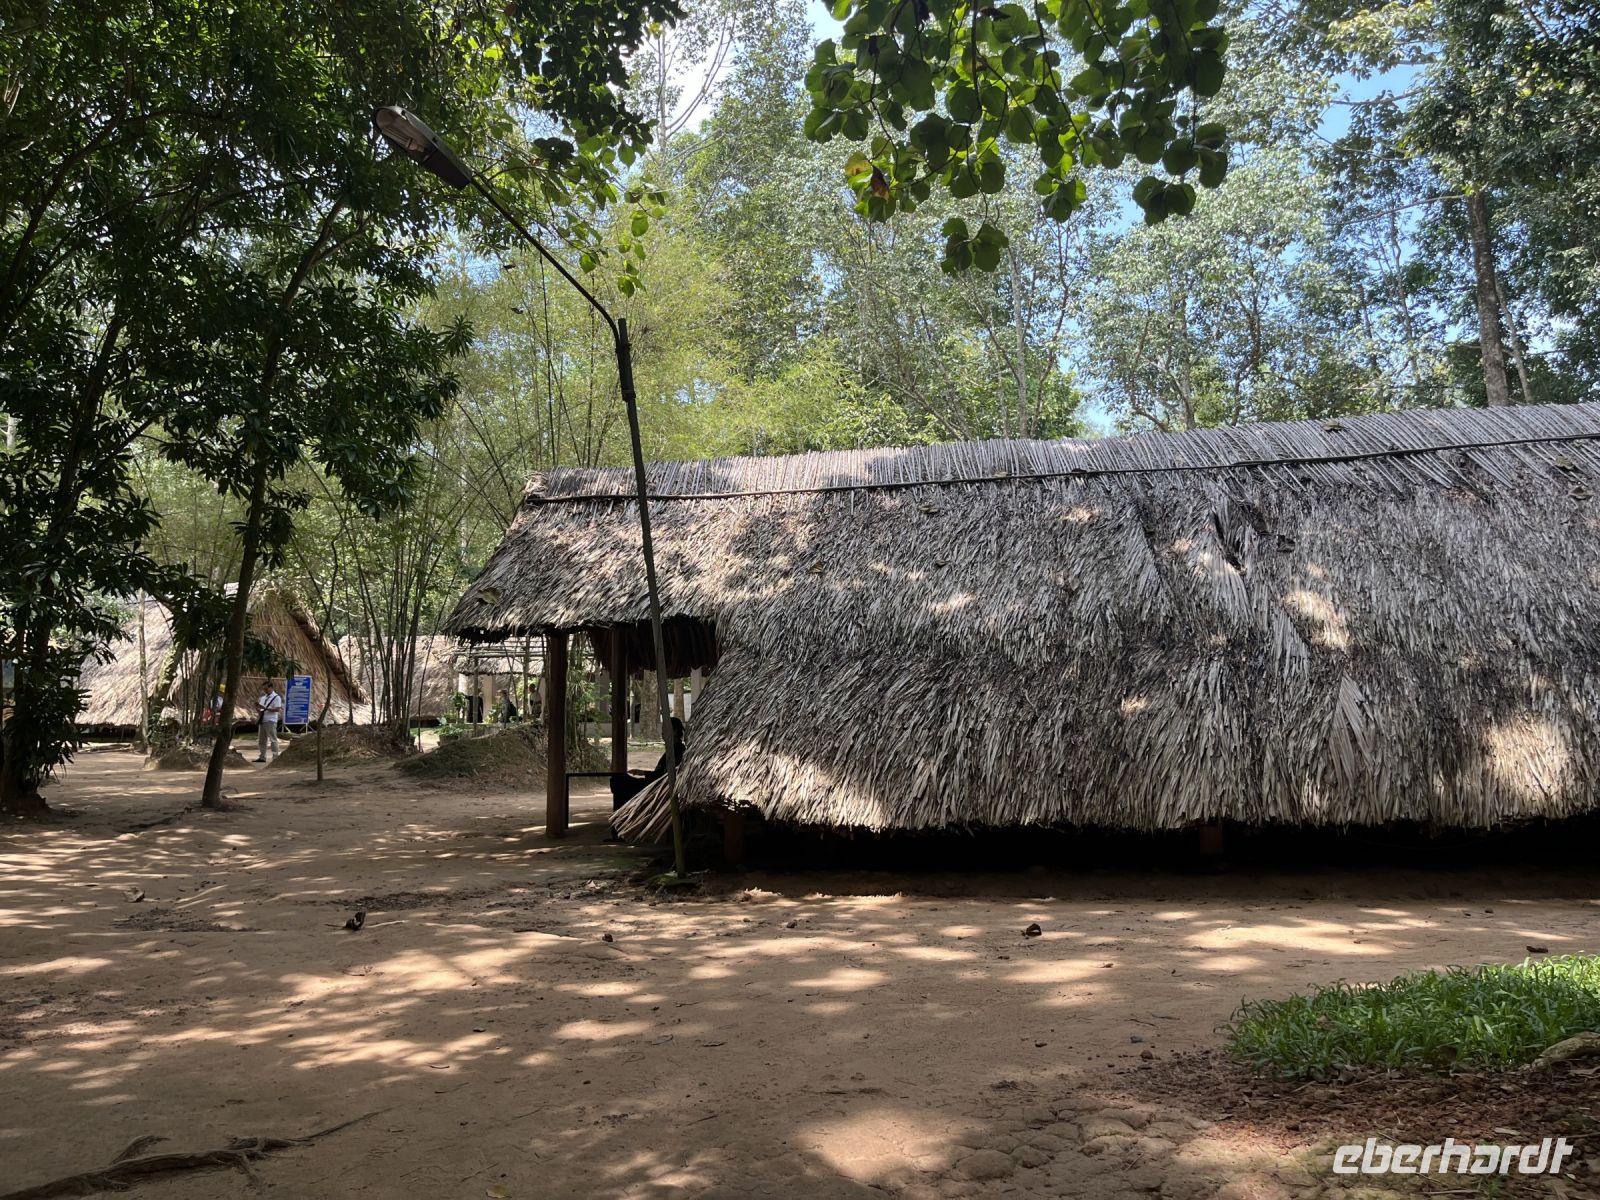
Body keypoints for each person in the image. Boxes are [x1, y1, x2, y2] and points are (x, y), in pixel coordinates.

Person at [255, 681, 283, 762]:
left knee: (273, 739)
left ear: (271, 687)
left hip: (270, 720)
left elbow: (277, 709)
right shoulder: (263, 698)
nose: (265, 690)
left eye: (266, 688)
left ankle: (275, 757)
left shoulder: (276, 697)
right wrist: (257, 708)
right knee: (262, 740)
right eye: (263, 689)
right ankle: (262, 757)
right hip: (262, 720)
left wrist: (265, 708)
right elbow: (261, 710)